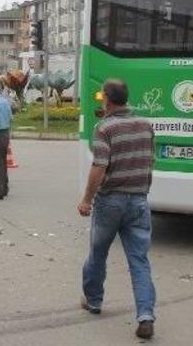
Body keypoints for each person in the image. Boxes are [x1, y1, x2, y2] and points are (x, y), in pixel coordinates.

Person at [78, 79, 156, 340]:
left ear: (107, 99)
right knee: (139, 260)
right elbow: (150, 160)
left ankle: (94, 301)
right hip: (139, 201)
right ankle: (145, 315)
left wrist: (86, 200)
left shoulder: (105, 127)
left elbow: (99, 166)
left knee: (98, 253)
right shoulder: (145, 125)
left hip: (110, 201)